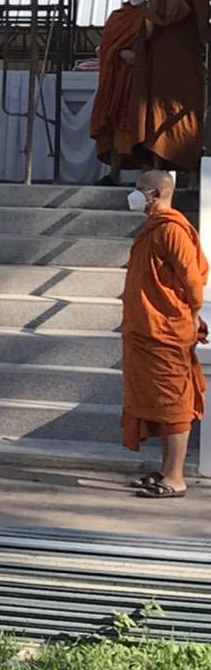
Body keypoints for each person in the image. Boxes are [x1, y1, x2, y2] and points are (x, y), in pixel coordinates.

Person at [120, 169, 208, 499]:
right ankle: (166, 469)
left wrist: (192, 316)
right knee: (160, 402)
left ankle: (175, 478)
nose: (134, 193)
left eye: (140, 188)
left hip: (167, 330)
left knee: (174, 404)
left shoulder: (171, 229)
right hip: (147, 328)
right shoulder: (154, 227)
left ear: (156, 194)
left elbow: (193, 282)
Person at [139, 0, 211, 173]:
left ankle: (192, 172)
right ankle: (157, 168)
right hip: (161, 66)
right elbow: (147, 33)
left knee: (188, 119)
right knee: (158, 115)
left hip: (186, 64)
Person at [89, 0, 148, 184]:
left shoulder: (153, 14)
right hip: (119, 80)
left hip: (143, 82)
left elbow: (161, 46)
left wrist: (140, 56)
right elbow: (105, 47)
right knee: (116, 122)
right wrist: (120, 52)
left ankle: (148, 175)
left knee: (144, 126)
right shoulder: (117, 17)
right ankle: (114, 173)